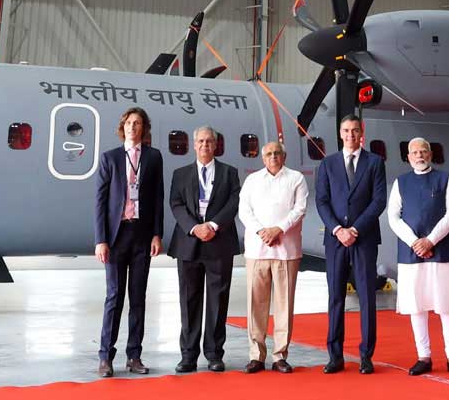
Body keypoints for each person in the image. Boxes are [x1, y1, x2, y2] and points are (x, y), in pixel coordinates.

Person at [385, 137, 449, 377]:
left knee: (447, 305)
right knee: (416, 306)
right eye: (414, 152)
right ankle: (424, 356)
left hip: (442, 250)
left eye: (423, 151)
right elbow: (393, 217)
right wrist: (415, 242)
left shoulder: (445, 179)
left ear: (430, 155)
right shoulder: (401, 182)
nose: (419, 155)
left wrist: (430, 240)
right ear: (408, 157)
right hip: (411, 252)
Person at [93, 106, 164, 377]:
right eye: (129, 123)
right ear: (123, 127)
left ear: (144, 129)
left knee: (138, 298)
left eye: (138, 123)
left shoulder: (154, 157)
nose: (133, 127)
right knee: (114, 297)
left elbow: (157, 198)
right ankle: (105, 357)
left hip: (142, 237)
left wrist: (157, 233)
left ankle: (134, 355)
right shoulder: (110, 158)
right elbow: (99, 202)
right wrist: (101, 240)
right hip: (116, 236)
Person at [314, 113, 386, 374]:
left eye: (355, 130)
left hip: (364, 238)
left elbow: (379, 201)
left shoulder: (375, 163)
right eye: (346, 131)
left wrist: (354, 229)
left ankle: (366, 355)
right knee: (336, 296)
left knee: (367, 296)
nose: (350, 135)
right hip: (335, 240)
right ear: (340, 134)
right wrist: (337, 230)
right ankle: (335, 355)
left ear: (361, 132)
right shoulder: (328, 163)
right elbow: (321, 200)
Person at [168, 126, 241, 373]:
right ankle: (188, 355)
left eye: (209, 141)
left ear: (216, 145)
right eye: (200, 141)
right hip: (189, 243)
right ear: (193, 144)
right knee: (189, 300)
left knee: (218, 301)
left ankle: (214, 354)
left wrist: (212, 225)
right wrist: (194, 228)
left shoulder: (229, 173)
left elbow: (234, 203)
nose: (204, 145)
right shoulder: (180, 174)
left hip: (219, 242)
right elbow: (176, 204)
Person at [238, 139, 307, 373]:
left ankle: (280, 356)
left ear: (284, 157)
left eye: (277, 153)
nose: (273, 157)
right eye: (269, 154)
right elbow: (244, 210)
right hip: (257, 250)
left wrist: (278, 229)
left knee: (284, 305)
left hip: (286, 250)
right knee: (255, 303)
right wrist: (262, 231)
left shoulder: (296, 178)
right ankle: (256, 355)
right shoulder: (252, 180)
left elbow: (299, 209)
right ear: (262, 157)